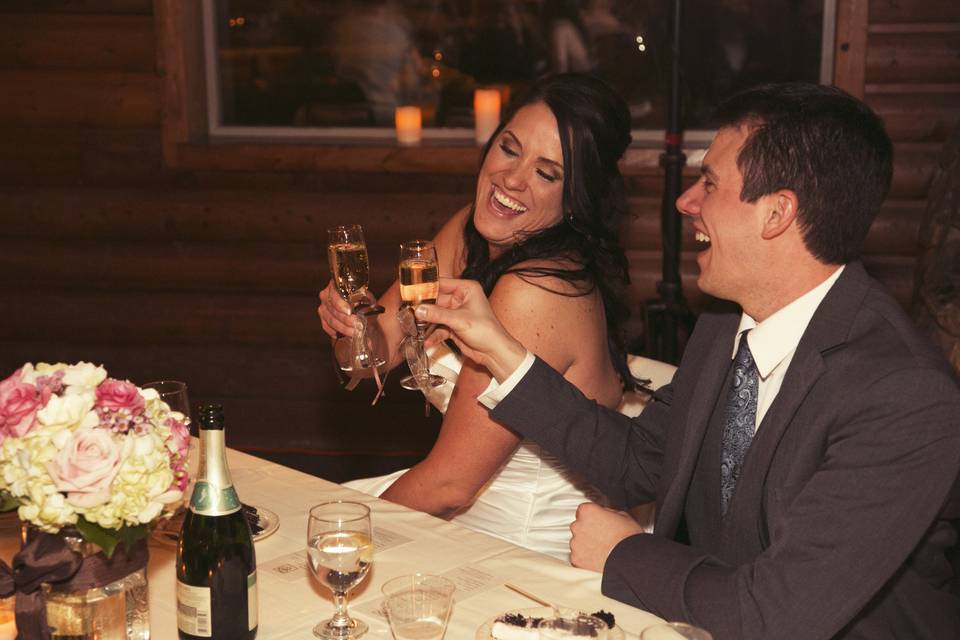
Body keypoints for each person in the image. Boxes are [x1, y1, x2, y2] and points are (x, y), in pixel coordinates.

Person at [416, 83, 960, 638]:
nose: (686, 201)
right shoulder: (727, 325)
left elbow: (776, 615)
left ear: (777, 213)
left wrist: (625, 553)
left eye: (710, 183)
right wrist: (503, 352)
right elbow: (639, 461)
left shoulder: (904, 397)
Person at [318, 73, 643, 560]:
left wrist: (341, 541)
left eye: (547, 173)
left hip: (522, 540)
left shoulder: (536, 290)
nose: (512, 179)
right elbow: (372, 357)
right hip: (462, 503)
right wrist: (350, 327)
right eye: (510, 148)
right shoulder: (470, 231)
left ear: (577, 200)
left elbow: (451, 485)